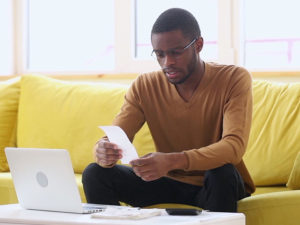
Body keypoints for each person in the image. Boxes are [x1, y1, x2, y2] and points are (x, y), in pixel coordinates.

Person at [82, 8, 255, 212]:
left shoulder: (233, 79)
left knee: (221, 172)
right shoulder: (145, 85)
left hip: (214, 184)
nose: (168, 62)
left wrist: (172, 160)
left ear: (198, 45)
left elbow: (233, 147)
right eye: (160, 54)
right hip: (167, 183)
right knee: (95, 173)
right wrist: (102, 151)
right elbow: (115, 136)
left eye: (176, 52)